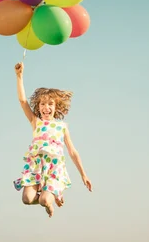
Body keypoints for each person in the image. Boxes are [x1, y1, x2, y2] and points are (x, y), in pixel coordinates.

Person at [12, 62, 92, 218]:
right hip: (36, 166)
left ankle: (51, 199)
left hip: (54, 168)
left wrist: (84, 174)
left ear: (56, 107)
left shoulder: (62, 126)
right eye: (42, 104)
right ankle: (49, 196)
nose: (46, 107)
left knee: (43, 201)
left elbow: (73, 152)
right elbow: (22, 101)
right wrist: (19, 76)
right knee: (27, 199)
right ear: (38, 106)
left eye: (50, 104)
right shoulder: (36, 121)